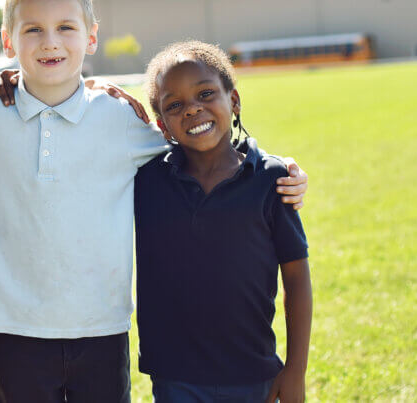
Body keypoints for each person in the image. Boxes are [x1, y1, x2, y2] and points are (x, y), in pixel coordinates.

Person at [0, 1, 308, 401]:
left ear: (90, 37)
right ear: (8, 40)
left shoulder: (120, 118)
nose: (50, 41)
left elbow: (200, 140)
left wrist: (272, 165)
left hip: (102, 327)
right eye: (32, 29)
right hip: (15, 331)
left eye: (65, 28)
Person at [134, 41, 312, 403]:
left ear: (233, 101)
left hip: (253, 373)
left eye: (205, 94)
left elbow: (297, 278)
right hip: (174, 377)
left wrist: (295, 370)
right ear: (162, 125)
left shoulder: (272, 179)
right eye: (175, 105)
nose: (193, 110)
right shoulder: (145, 181)